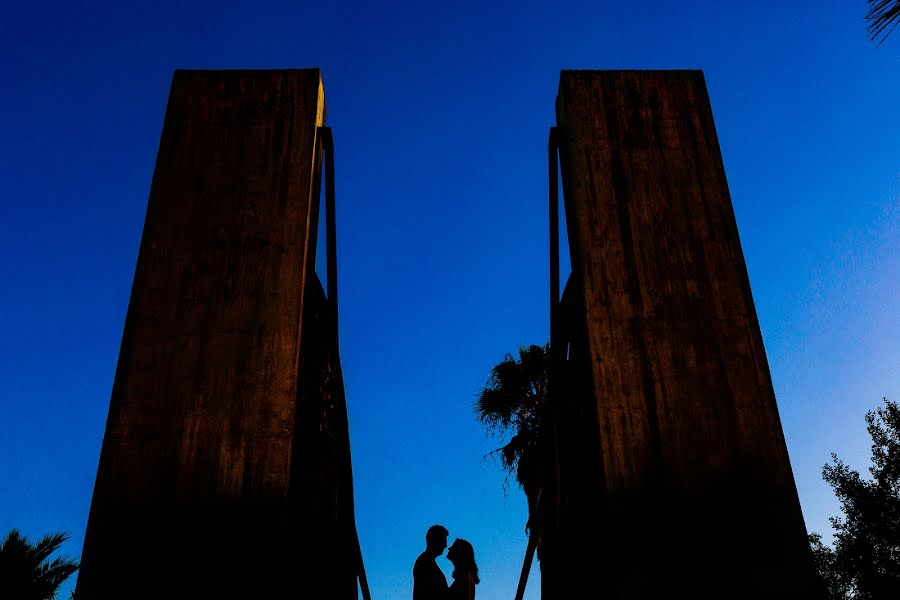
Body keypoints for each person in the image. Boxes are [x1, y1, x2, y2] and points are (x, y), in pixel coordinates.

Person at [413, 525, 449, 600]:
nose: (446, 546)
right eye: (443, 542)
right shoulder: (425, 563)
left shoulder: (425, 561)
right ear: (435, 541)